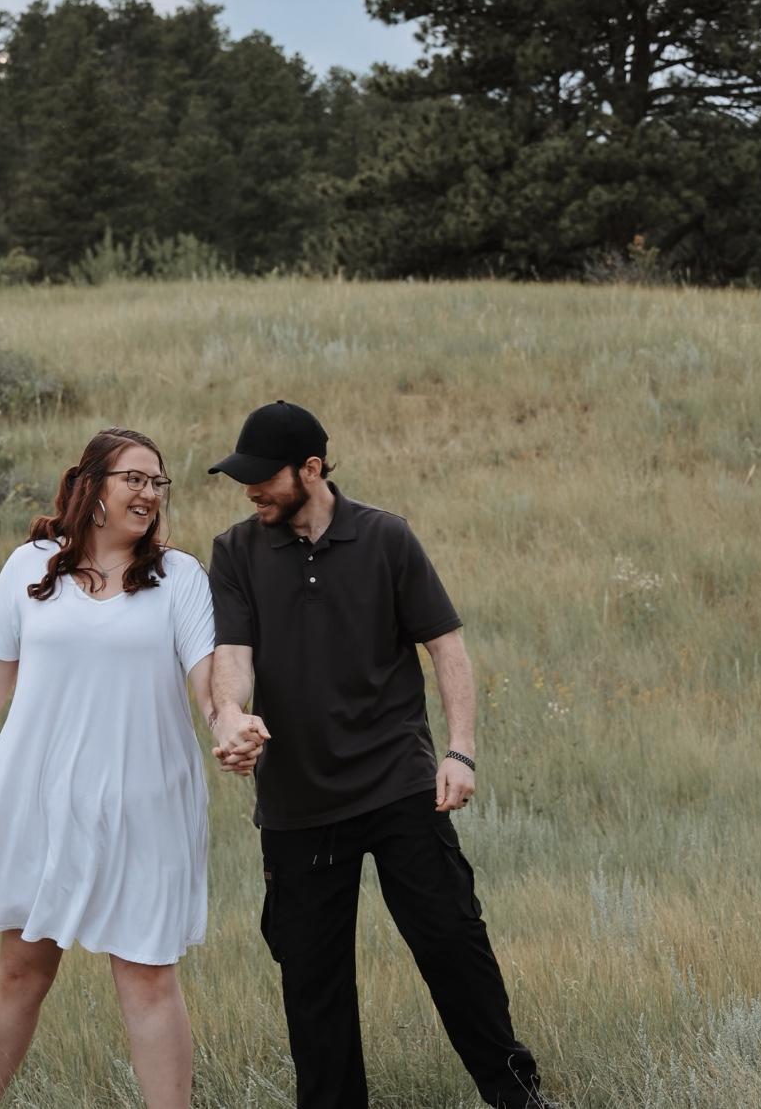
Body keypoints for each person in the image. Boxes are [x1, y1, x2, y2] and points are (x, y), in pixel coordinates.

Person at [206, 401, 554, 1109]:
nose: (250, 491)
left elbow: (445, 646)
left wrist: (460, 751)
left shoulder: (386, 537)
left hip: (397, 783)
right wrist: (233, 716)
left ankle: (517, 1097)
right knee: (313, 981)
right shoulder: (235, 551)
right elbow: (233, 656)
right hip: (297, 800)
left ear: (311, 469)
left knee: (452, 943)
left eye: (263, 477)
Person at [0, 427, 217, 1109]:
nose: (149, 492)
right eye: (134, 478)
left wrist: (230, 725)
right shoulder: (31, 567)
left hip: (145, 806)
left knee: (147, 976)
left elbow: (207, 682)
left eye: (157, 482)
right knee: (21, 968)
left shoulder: (181, 578)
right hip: (40, 802)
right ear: (93, 487)